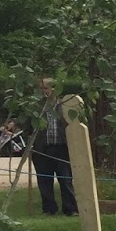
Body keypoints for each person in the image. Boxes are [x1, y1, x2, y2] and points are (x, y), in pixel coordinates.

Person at [32, 78, 78, 216]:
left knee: (65, 179)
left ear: (54, 89)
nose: (43, 91)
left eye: (45, 88)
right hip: (42, 149)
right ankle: (49, 209)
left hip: (61, 148)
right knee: (44, 180)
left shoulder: (64, 105)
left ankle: (71, 209)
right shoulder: (36, 106)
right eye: (41, 89)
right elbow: (29, 125)